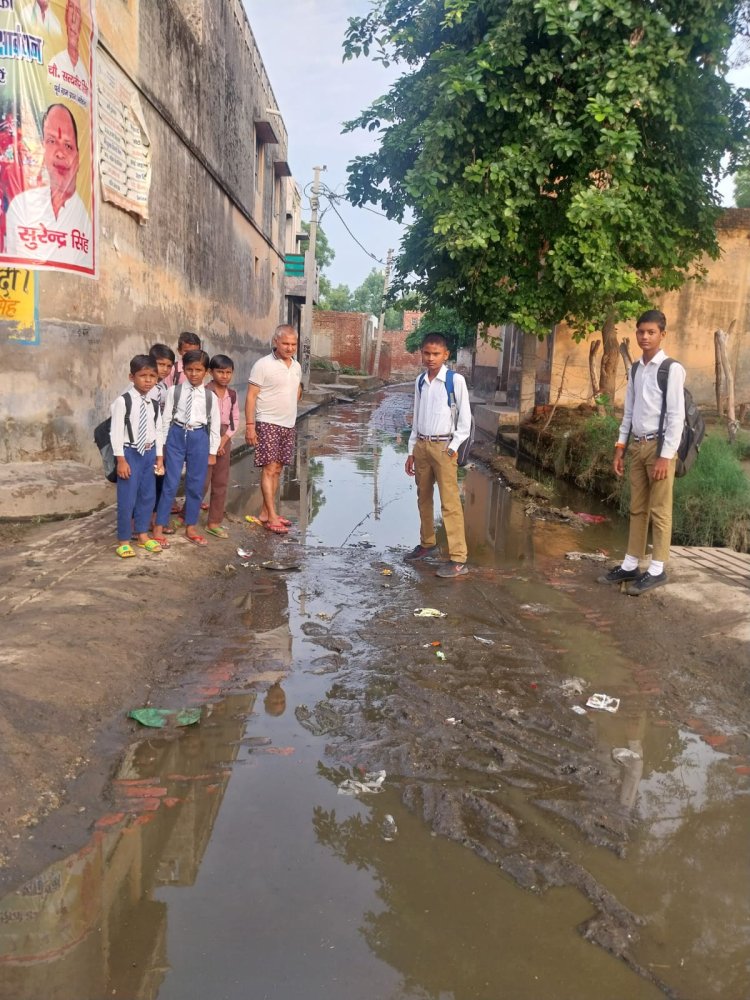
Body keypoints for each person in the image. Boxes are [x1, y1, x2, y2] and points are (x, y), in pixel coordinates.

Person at [601, 309, 685, 595]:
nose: (645, 337)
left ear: (662, 334)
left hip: (660, 447)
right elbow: (629, 412)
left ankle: (658, 568)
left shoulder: (671, 369)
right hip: (637, 445)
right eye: (640, 332)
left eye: (651, 332)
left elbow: (676, 416)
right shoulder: (635, 369)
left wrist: (665, 455)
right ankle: (630, 563)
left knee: (660, 510)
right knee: (637, 508)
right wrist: (619, 447)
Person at [405, 333, 471, 578]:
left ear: (446, 355)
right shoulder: (421, 381)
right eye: (426, 353)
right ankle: (427, 543)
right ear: (421, 353)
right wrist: (412, 449)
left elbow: (465, 421)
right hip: (422, 445)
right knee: (423, 496)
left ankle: (458, 558)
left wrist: (452, 448)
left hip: (444, 448)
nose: (431, 358)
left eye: (436, 354)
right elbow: (417, 416)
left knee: (450, 503)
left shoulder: (455, 381)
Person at [4, 103, 92, 270]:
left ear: (78, 158)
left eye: (68, 145)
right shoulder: (20, 206)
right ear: (42, 149)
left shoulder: (85, 224)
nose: (60, 153)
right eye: (51, 141)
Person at [153, 349, 220, 547]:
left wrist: (212, 452)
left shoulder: (210, 397)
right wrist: (162, 446)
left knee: (195, 485)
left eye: (198, 370)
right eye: (189, 369)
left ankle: (191, 526)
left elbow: (214, 425)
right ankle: (159, 525)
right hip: (176, 435)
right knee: (170, 483)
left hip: (199, 437)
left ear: (206, 371)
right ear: (183, 369)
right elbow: (165, 420)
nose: (193, 374)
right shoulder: (175, 391)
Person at [244, 325, 302, 534]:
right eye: (285, 343)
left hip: (288, 424)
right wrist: (250, 426)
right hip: (267, 422)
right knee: (269, 469)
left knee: (278, 469)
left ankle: (265, 513)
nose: (289, 348)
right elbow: (251, 396)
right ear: (275, 342)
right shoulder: (263, 365)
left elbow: (295, 392)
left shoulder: (296, 366)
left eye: (293, 344)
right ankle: (272, 516)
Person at [109, 355, 164, 559]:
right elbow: (115, 432)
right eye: (143, 376)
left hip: (149, 453)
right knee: (127, 498)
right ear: (132, 377)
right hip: (130, 452)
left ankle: (142, 534)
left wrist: (159, 458)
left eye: (152, 376)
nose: (148, 380)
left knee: (147, 496)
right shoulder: (123, 402)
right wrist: (121, 460)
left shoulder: (154, 403)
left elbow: (159, 431)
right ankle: (124, 540)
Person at [204, 353, 240, 539]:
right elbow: (202, 419)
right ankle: (188, 516)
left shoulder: (232, 395)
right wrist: (212, 443)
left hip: (224, 438)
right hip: (205, 436)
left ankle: (214, 522)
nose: (224, 376)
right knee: (201, 482)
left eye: (228, 372)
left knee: (220, 482)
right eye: (220, 372)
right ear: (211, 372)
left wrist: (223, 441)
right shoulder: (204, 392)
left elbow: (234, 422)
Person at [47, 0, 90, 109]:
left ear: (81, 24)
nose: (74, 19)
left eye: (78, 13)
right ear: (66, 16)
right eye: (71, 9)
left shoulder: (85, 75)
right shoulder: (54, 64)